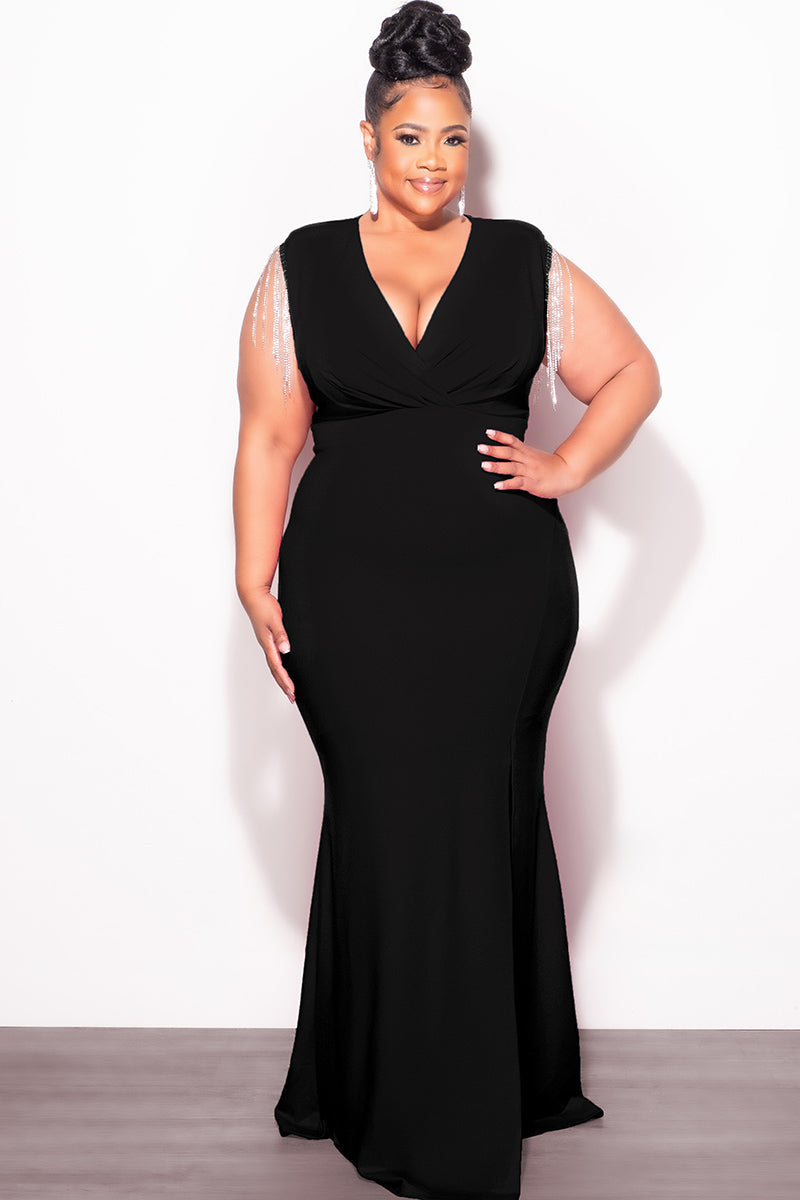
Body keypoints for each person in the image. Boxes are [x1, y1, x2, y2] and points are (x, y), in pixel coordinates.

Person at [233, 3, 661, 1197]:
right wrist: (250, 573)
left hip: (501, 600)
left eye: (454, 138)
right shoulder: (301, 264)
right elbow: (268, 437)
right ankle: (371, 1083)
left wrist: (565, 465)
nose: (433, 160)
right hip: (347, 598)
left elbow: (631, 373)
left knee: (476, 817)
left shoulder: (523, 260)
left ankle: (473, 1096)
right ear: (368, 138)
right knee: (385, 818)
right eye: (412, 136)